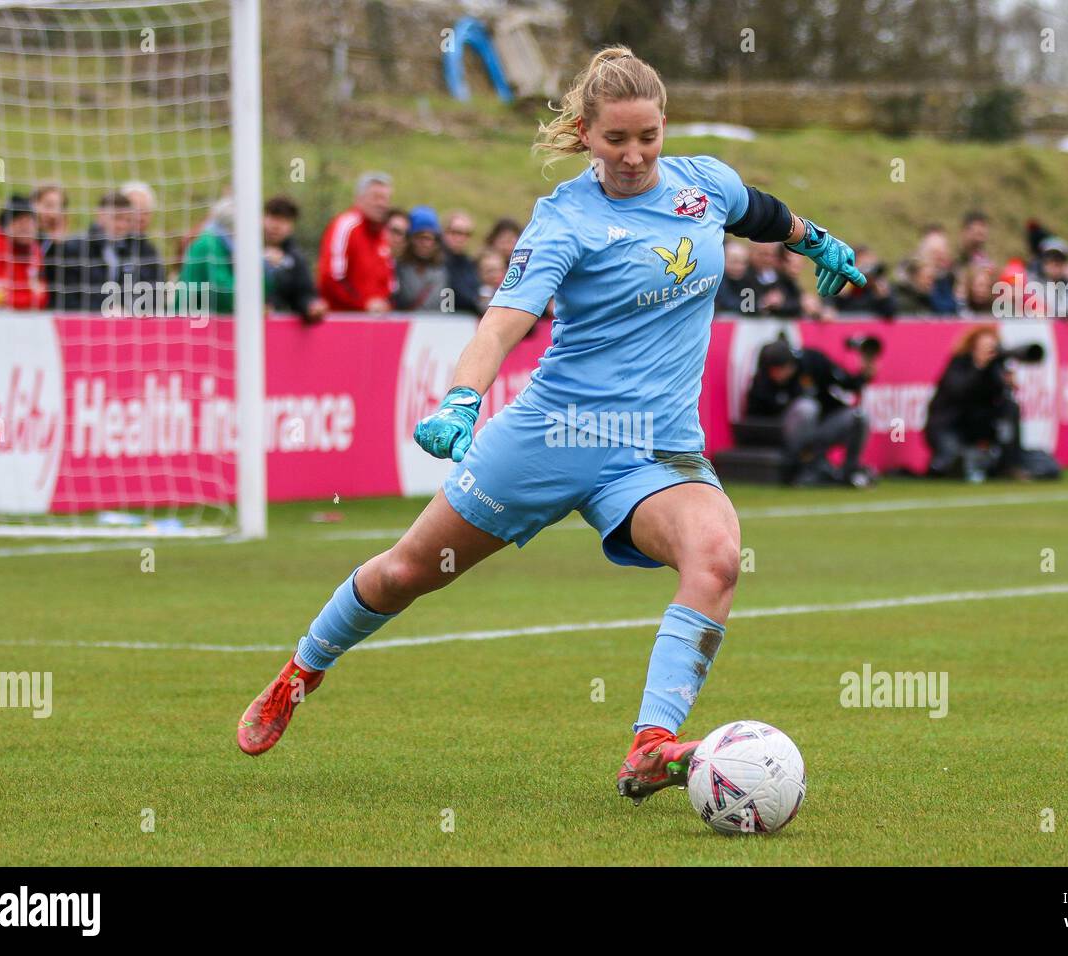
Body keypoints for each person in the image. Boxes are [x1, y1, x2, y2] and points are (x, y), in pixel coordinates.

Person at [234, 46, 868, 804]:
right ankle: (301, 672)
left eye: (648, 137)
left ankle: (650, 744)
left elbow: (763, 212)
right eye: (616, 140)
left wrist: (817, 238)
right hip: (553, 437)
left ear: (665, 127)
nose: (634, 156)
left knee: (719, 557)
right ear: (585, 135)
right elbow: (503, 324)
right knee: (407, 572)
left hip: (657, 451)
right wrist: (464, 397)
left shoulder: (706, 185)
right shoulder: (565, 217)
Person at [745, 338, 876, 487]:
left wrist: (864, 375)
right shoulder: (763, 381)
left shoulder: (813, 361)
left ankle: (850, 471)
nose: (777, 374)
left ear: (790, 365)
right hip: (787, 437)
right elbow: (754, 419)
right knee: (806, 408)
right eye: (773, 370)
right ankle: (805, 469)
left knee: (859, 416)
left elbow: (847, 383)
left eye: (781, 369)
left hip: (822, 429)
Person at [925, 325, 1026, 481]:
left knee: (1011, 407)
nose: (989, 353)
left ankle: (1010, 464)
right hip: (950, 426)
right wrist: (979, 367)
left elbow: (997, 403)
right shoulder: (958, 365)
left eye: (992, 348)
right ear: (972, 348)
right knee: (952, 461)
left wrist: (1006, 384)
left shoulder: (996, 368)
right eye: (984, 348)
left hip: (977, 427)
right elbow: (960, 391)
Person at [318, 172, 396, 314]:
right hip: (343, 320)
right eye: (376, 197)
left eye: (386, 199)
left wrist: (384, 303)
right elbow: (331, 276)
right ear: (359, 198)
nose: (382, 204)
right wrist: (363, 304)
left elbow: (388, 282)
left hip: (375, 323)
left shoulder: (382, 236)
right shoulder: (346, 226)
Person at [263, 196, 327, 322]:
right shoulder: (241, 250)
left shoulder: (296, 259)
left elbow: (304, 293)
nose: (276, 226)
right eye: (273, 218)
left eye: (284, 221)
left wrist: (311, 306)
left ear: (291, 226)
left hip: (279, 329)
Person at [0, 195, 47, 309]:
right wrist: (30, 294)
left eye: (30, 222)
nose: (27, 227)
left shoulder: (34, 249)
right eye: (20, 221)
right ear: (7, 224)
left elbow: (42, 298)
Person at [175, 197, 236, 315]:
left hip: (199, 319)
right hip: (194, 322)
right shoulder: (209, 245)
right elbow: (224, 293)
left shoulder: (217, 242)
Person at [393, 205, 451, 312]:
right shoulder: (397, 269)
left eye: (430, 238)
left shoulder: (443, 271)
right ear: (410, 239)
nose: (426, 243)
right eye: (420, 237)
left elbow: (447, 308)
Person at [442, 210, 481, 313]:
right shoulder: (436, 261)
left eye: (466, 234)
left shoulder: (469, 264)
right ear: (445, 232)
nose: (460, 238)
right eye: (456, 232)